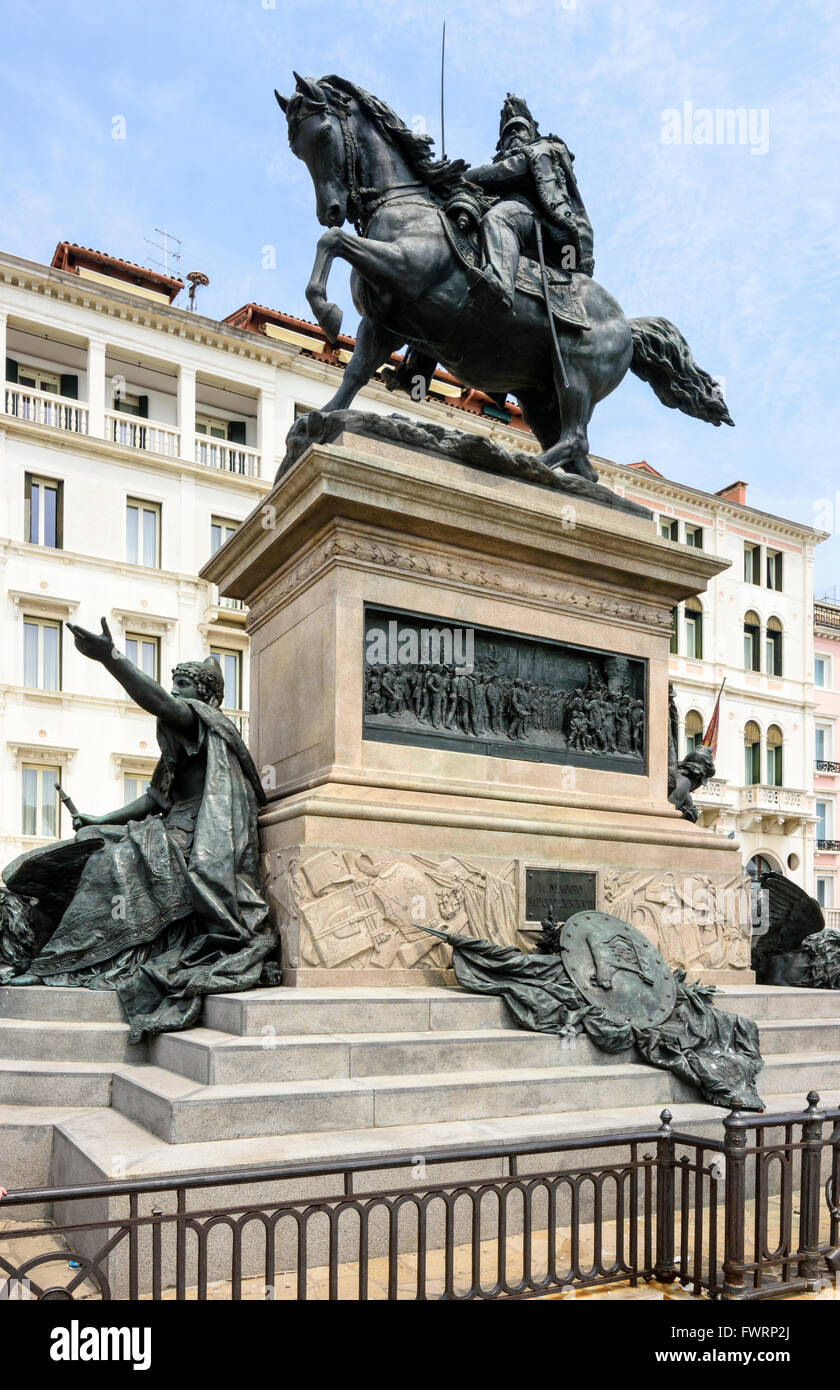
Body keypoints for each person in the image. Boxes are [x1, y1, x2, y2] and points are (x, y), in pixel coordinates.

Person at [0, 617, 275, 1042]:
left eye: (183, 685)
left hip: (196, 837)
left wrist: (112, 657)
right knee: (86, 848)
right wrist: (99, 819)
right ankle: (53, 949)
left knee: (111, 865)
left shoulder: (198, 720)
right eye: (176, 684)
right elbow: (155, 799)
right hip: (169, 825)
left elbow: (159, 704)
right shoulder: (179, 740)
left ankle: (63, 962)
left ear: (202, 695)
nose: (175, 692)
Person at [467, 93, 594, 310]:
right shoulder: (505, 158)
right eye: (508, 132)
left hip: (540, 223)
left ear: (532, 133)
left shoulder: (544, 149)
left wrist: (459, 176)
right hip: (516, 217)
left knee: (498, 219)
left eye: (519, 128)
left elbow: (506, 171)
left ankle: (498, 287)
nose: (513, 133)